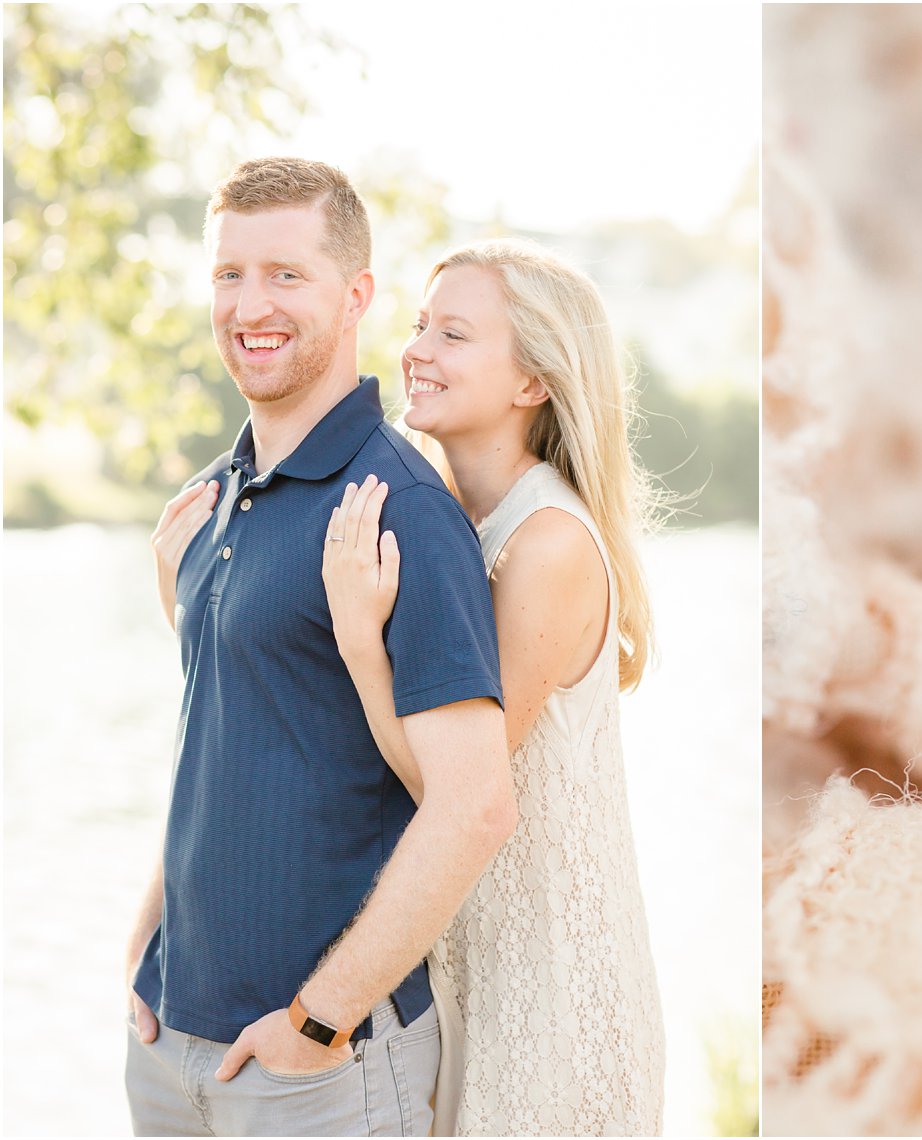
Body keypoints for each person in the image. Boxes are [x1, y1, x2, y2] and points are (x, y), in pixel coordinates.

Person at [128, 157, 513, 1137]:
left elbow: (473, 804)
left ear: (356, 298)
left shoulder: (401, 513)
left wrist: (320, 1019)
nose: (250, 305)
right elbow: (217, 750)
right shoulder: (214, 500)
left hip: (319, 1073)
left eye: (285, 275)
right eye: (229, 275)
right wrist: (146, 954)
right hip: (172, 1049)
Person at [319, 238, 666, 1135]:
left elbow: (452, 790)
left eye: (455, 335)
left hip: (552, 995)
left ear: (532, 384)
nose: (417, 351)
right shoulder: (451, 524)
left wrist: (363, 641)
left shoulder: (545, 542)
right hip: (465, 977)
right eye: (422, 325)